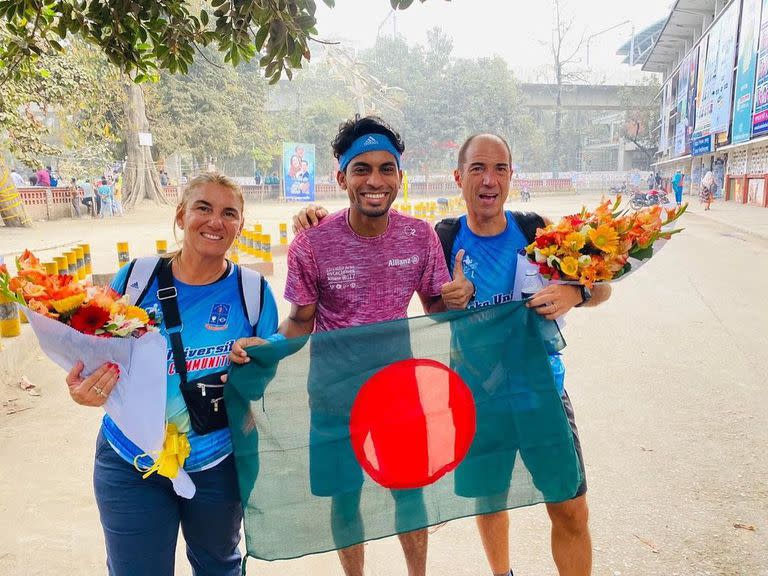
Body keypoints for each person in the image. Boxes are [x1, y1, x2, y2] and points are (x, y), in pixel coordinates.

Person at [295, 134, 612, 576]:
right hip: (477, 396)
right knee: (489, 500)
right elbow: (401, 270)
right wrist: (313, 219)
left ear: (510, 177)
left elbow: (603, 287)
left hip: (542, 389)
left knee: (570, 507)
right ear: (459, 177)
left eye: (500, 168)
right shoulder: (442, 238)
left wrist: (575, 293)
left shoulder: (539, 231)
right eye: (478, 168)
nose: (489, 180)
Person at [230, 115, 473, 576]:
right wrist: (264, 348)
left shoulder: (419, 237)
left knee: (410, 495)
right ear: (341, 177)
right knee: (345, 502)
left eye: (387, 168)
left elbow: (437, 307)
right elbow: (301, 322)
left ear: (400, 176)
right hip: (332, 395)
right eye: (361, 169)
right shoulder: (312, 244)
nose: (375, 180)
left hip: (400, 392)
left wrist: (458, 297)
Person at [64, 172, 279, 575]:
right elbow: (92, 359)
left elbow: (269, 379)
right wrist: (82, 389)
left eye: (228, 213)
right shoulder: (135, 280)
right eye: (203, 208)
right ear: (181, 217)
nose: (215, 221)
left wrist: (257, 369)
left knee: (219, 568)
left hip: (217, 462)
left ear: (240, 226)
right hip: (130, 460)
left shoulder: (253, 293)